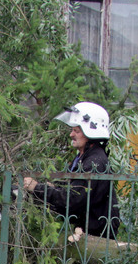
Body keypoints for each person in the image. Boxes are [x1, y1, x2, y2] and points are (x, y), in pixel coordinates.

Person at [23, 101, 120, 239]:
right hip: (88, 232)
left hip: (97, 237)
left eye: (77, 131)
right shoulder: (84, 157)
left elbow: (72, 200)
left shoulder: (95, 162)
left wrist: (37, 188)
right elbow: (71, 189)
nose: (71, 135)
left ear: (90, 132)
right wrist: (51, 188)